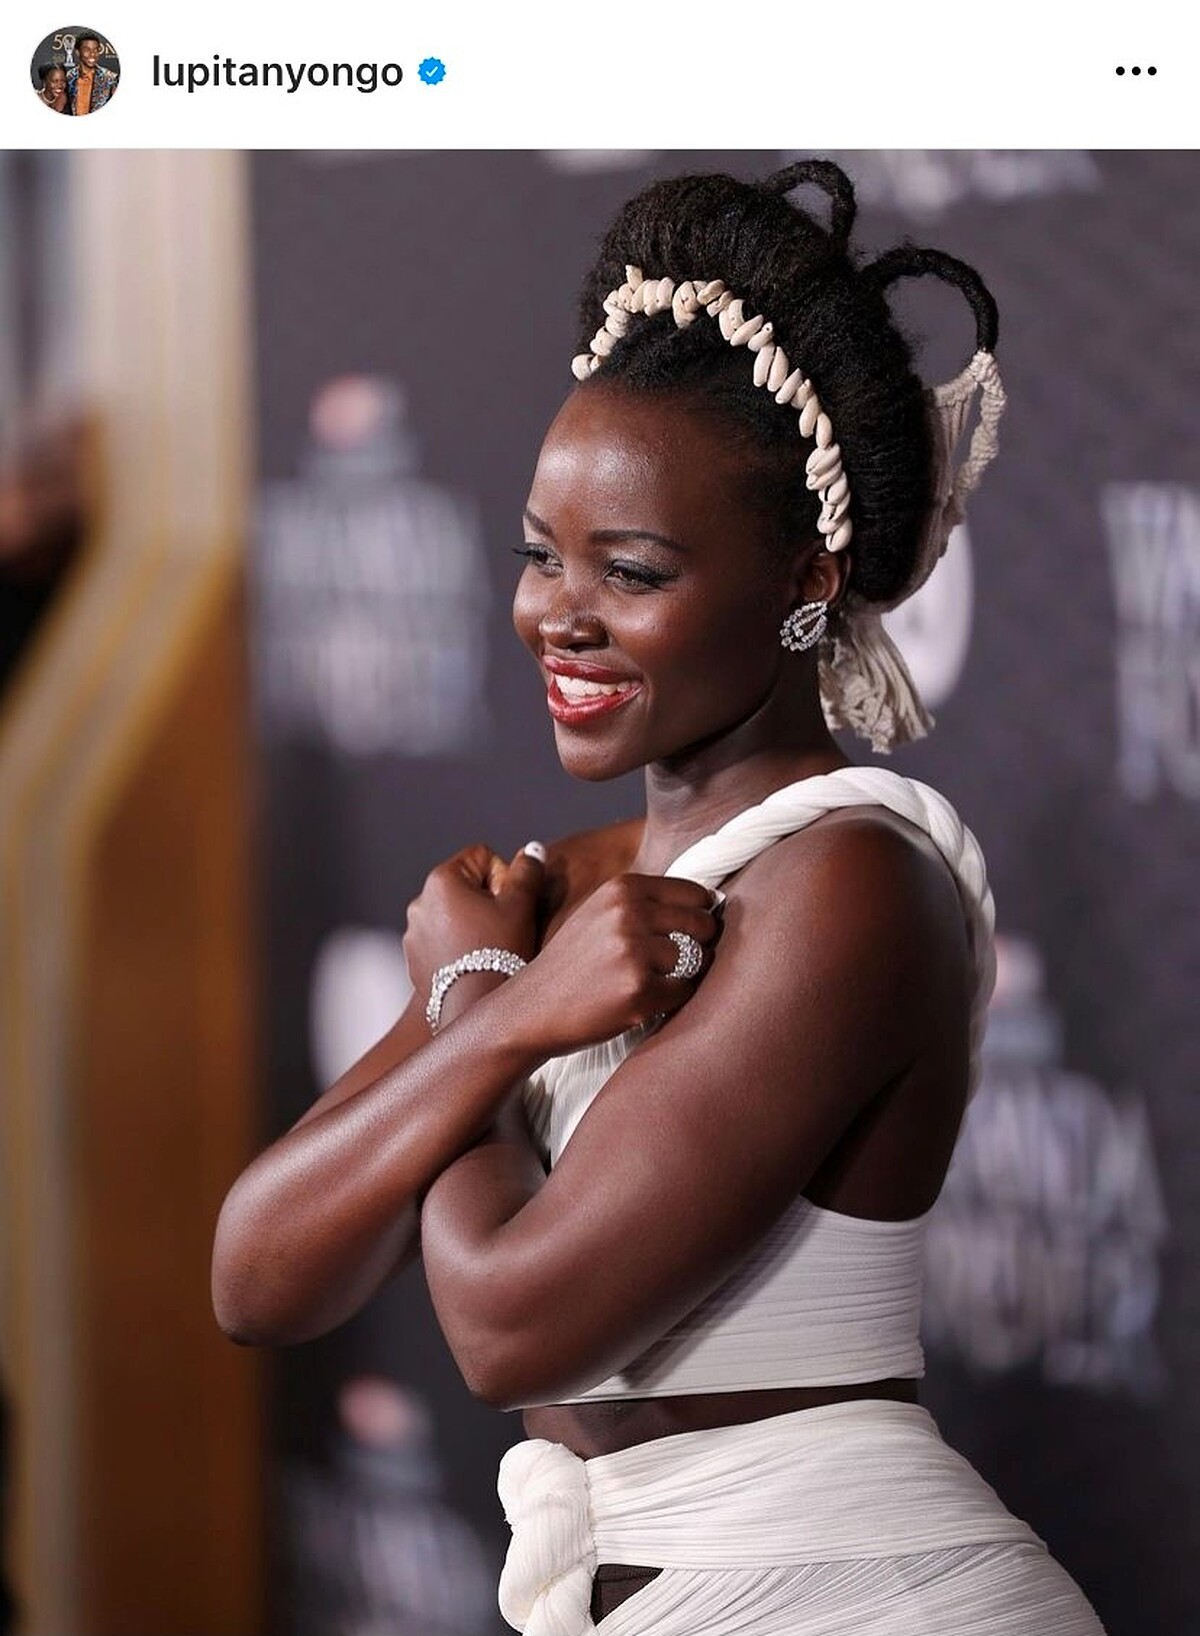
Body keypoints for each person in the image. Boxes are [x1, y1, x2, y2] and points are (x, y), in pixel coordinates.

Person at [213, 160, 1107, 1634]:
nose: (556, 616)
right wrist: (492, 1008)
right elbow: (259, 1276)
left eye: (629, 571)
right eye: (538, 555)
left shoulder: (851, 882)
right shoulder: (554, 894)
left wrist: (486, 1010)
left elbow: (511, 1328)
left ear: (806, 583)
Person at [66, 35, 118, 115]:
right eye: (87, 50)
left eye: (96, 50)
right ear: (78, 52)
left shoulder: (110, 78)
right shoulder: (69, 77)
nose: (93, 54)